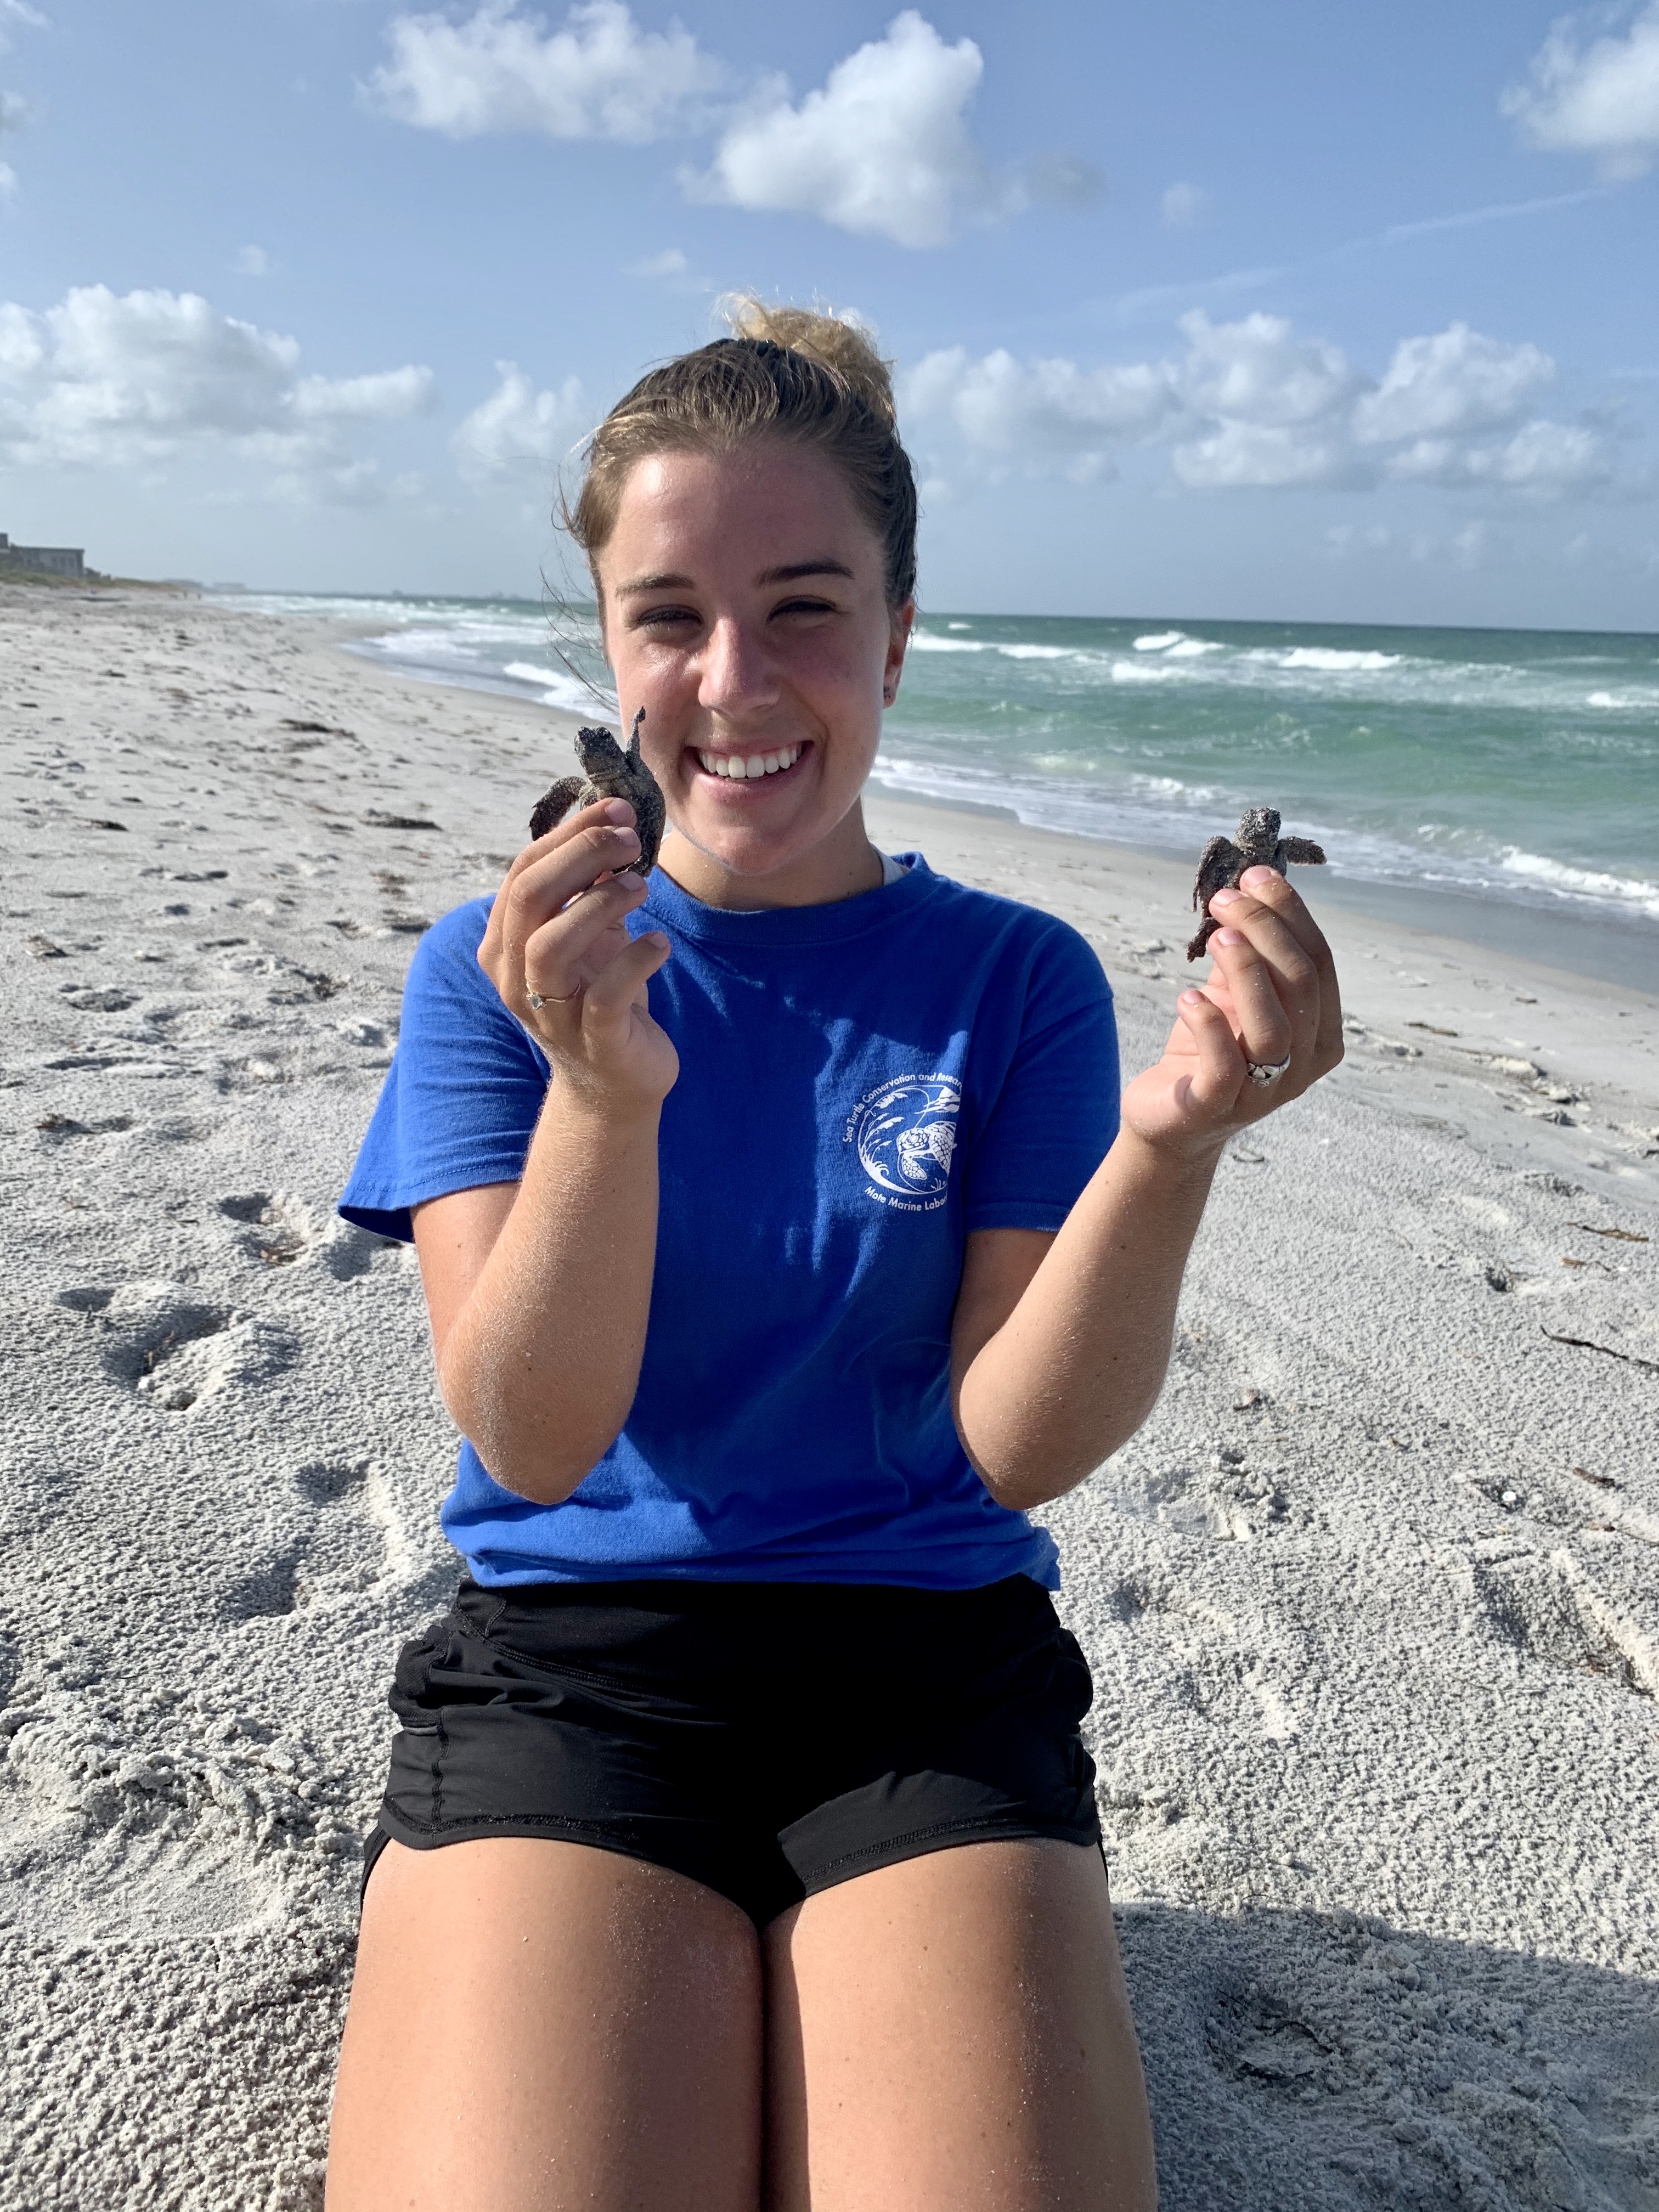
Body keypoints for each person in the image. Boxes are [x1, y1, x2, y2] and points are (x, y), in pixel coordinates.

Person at [323, 301, 1343, 2212]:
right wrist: (604, 1095)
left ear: (896, 635)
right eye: (669, 617)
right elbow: (535, 1440)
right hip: (578, 1668)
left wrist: (1174, 1140)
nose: (735, 679)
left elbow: (1015, 1446)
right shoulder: (495, 976)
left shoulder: (1012, 980)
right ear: (610, 648)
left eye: (805, 607)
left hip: (923, 1668)